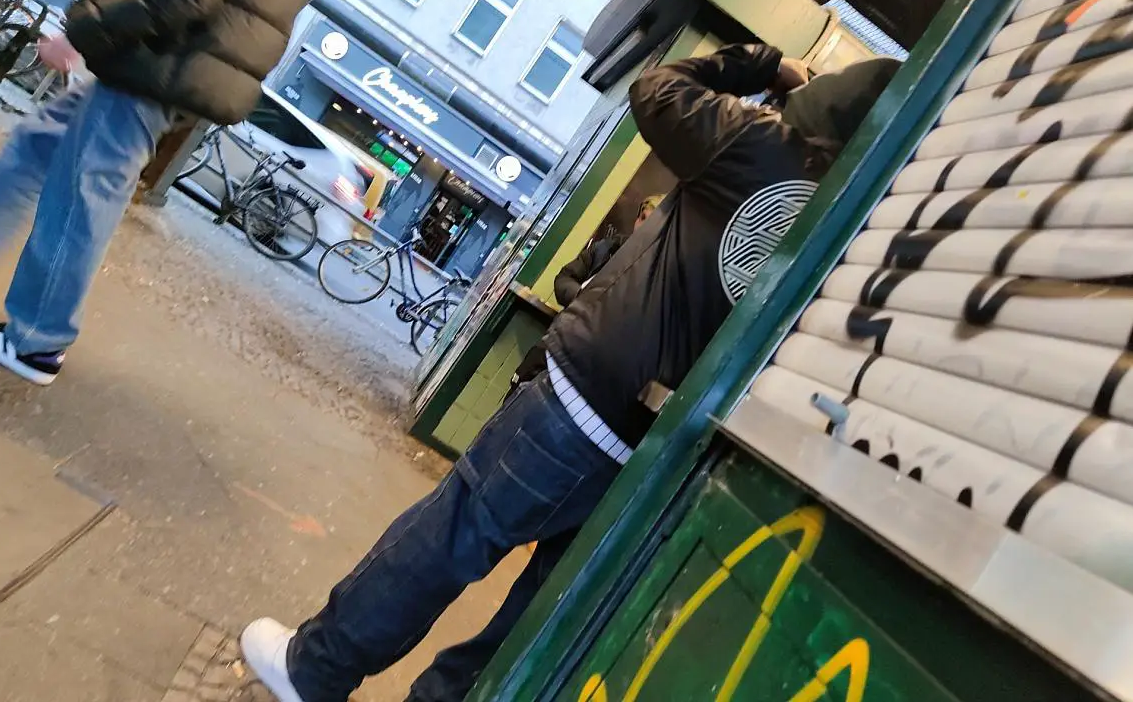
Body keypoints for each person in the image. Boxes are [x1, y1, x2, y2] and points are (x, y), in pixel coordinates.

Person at [241, 44, 900, 702]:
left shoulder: (762, 147)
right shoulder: (857, 232)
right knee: (529, 622)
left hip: (581, 404)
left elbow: (658, 88)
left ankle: (315, 668)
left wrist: (765, 64)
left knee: (451, 536)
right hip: (659, 454)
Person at [0, 0, 315, 384]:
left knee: (85, 191)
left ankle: (36, 341)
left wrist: (86, 28)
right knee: (38, 146)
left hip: (161, 65)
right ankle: (39, 334)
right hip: (176, 64)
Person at [507, 194, 665, 403]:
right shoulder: (607, 248)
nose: (642, 227)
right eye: (642, 218)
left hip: (585, 376)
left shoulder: (656, 278)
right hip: (552, 348)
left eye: (651, 223)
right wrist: (584, 297)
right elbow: (564, 279)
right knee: (511, 402)